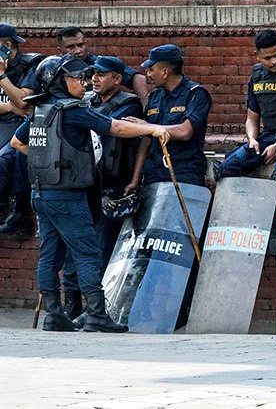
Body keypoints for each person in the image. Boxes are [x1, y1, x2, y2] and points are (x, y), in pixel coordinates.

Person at [10, 55, 169, 332]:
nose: (83, 83)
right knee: (87, 252)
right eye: (75, 78)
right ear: (59, 81)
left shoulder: (39, 108)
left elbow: (17, 142)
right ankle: (96, 313)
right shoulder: (71, 110)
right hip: (68, 195)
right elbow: (116, 127)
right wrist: (152, 128)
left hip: (42, 193)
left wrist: (50, 158)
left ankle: (54, 314)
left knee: (50, 254)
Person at [126, 45, 213, 194]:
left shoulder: (196, 94)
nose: (148, 74)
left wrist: (148, 127)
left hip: (184, 173)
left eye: (151, 70)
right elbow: (145, 142)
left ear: (165, 72)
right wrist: (135, 180)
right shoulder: (155, 96)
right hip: (154, 173)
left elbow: (185, 131)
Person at [221, 30, 276, 179]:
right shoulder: (256, 76)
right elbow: (251, 118)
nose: (274, 61)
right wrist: (252, 139)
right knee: (229, 166)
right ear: (257, 55)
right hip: (267, 136)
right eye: (267, 58)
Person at [86, 56, 144, 270]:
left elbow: (109, 124)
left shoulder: (129, 104)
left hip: (114, 184)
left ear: (117, 79)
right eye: (93, 74)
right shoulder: (87, 101)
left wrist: (80, 118)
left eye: (101, 75)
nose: (94, 79)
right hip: (87, 182)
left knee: (104, 247)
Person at [0, 23, 43, 236]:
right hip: (5, 120)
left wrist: (1, 76)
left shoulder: (30, 65)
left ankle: (20, 213)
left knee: (5, 157)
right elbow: (14, 104)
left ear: (7, 46)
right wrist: (8, 106)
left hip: (20, 125)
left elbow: (23, 101)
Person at [55, 27, 150, 104]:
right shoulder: (52, 68)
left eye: (80, 45)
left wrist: (145, 104)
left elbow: (137, 77)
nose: (78, 51)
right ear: (60, 51)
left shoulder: (99, 64)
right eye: (70, 47)